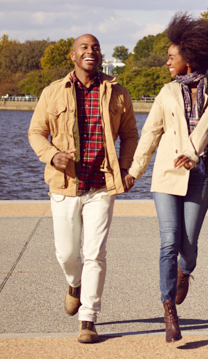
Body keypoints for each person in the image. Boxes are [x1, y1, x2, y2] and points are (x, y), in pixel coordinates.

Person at [127, 13, 208, 342]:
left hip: (199, 175)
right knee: (168, 240)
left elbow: (204, 130)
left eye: (171, 57)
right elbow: (149, 134)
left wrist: (191, 153)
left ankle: (185, 272)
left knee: (188, 249)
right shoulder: (165, 93)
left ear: (188, 59)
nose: (166, 62)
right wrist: (134, 171)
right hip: (166, 176)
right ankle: (168, 308)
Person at [28, 34, 139, 344]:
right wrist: (53, 155)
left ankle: (88, 317)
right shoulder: (52, 93)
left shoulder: (118, 93)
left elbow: (130, 135)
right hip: (64, 185)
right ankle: (73, 284)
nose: (91, 52)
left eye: (95, 47)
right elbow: (36, 132)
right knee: (66, 254)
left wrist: (128, 169)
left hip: (102, 185)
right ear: (73, 56)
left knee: (95, 254)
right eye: (84, 48)